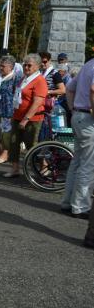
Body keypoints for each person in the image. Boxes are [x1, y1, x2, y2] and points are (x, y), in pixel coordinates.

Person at [62, 55, 94, 233]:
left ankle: (68, 202)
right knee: (88, 165)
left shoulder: (88, 64)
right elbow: (93, 89)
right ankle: (80, 206)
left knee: (77, 162)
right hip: (88, 118)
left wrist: (73, 109)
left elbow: (69, 88)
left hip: (79, 115)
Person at [3, 54, 48, 178]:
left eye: (29, 65)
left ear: (37, 66)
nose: (26, 67)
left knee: (31, 145)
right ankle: (15, 169)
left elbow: (37, 102)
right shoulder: (24, 78)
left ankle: (43, 166)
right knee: (13, 142)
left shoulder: (40, 80)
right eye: (25, 65)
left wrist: (25, 119)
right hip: (17, 116)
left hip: (32, 119)